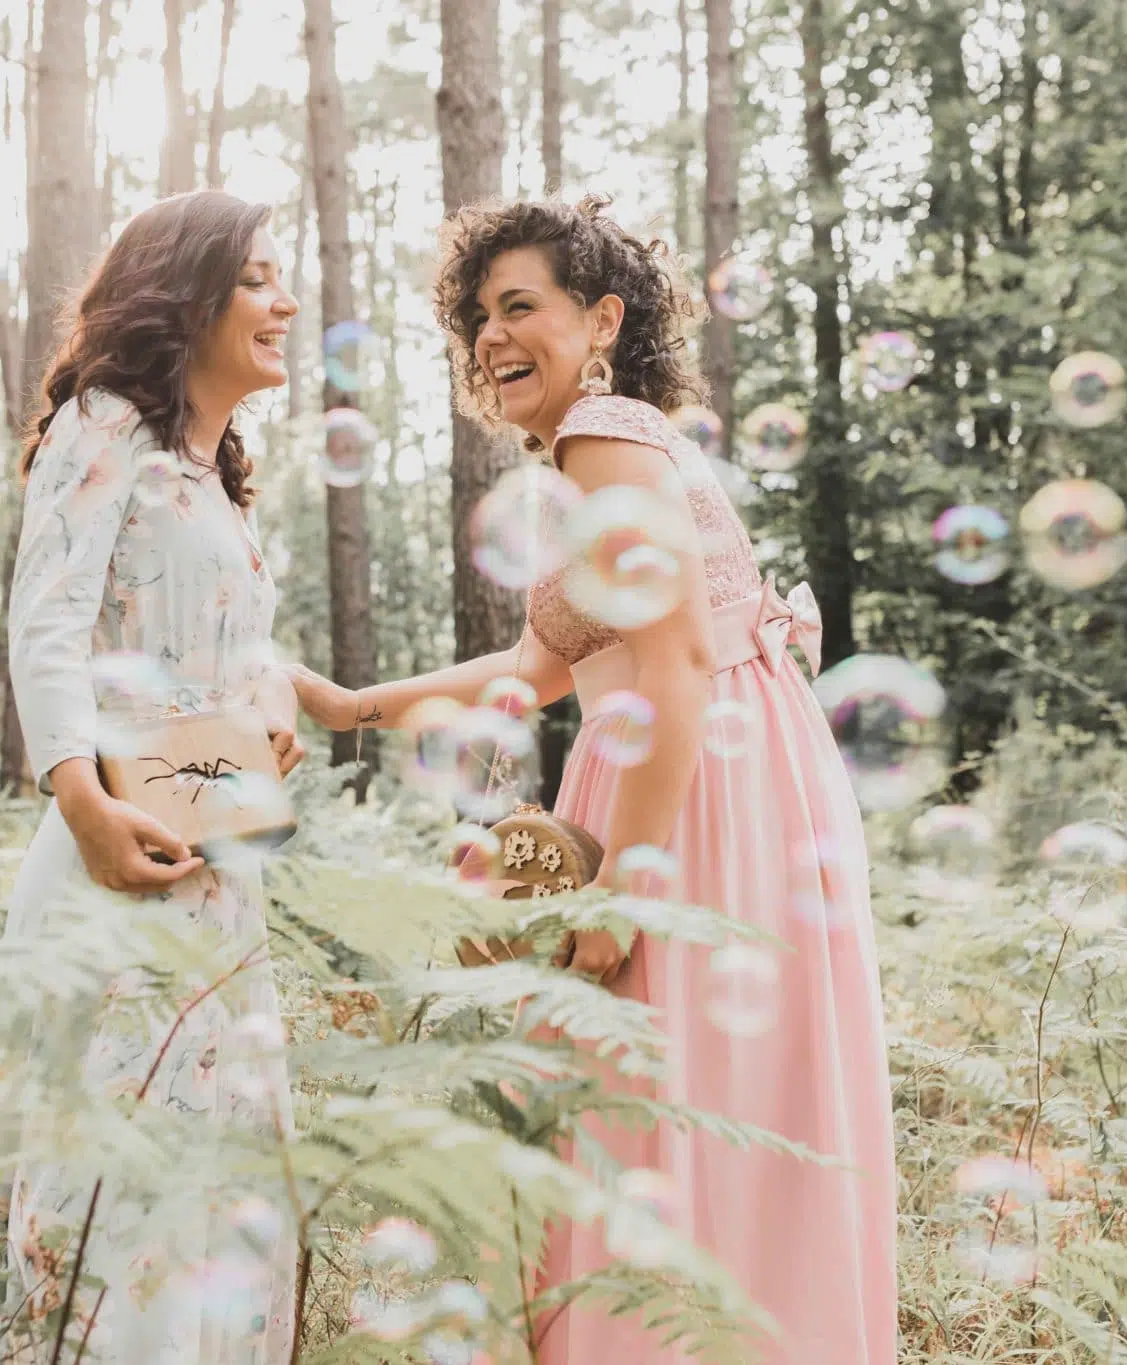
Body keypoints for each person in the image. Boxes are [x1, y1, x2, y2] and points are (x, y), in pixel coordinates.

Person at [287, 196, 899, 1363]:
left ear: (602, 320)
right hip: (704, 770)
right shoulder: (608, 448)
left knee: (648, 1107)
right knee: (698, 1111)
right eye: (477, 317)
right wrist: (350, 706)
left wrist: (626, 887)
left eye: (519, 306)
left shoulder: (602, 432)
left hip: (690, 787)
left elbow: (673, 662)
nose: (490, 336)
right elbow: (537, 668)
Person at [0, 190, 306, 1363]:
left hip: (217, 869)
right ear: (188, 296)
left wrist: (266, 707)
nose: (285, 302)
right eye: (257, 279)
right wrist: (80, 800)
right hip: (113, 857)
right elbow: (48, 619)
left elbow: (229, 649)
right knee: (116, 1199)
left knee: (221, 1194)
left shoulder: (212, 474)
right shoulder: (104, 424)